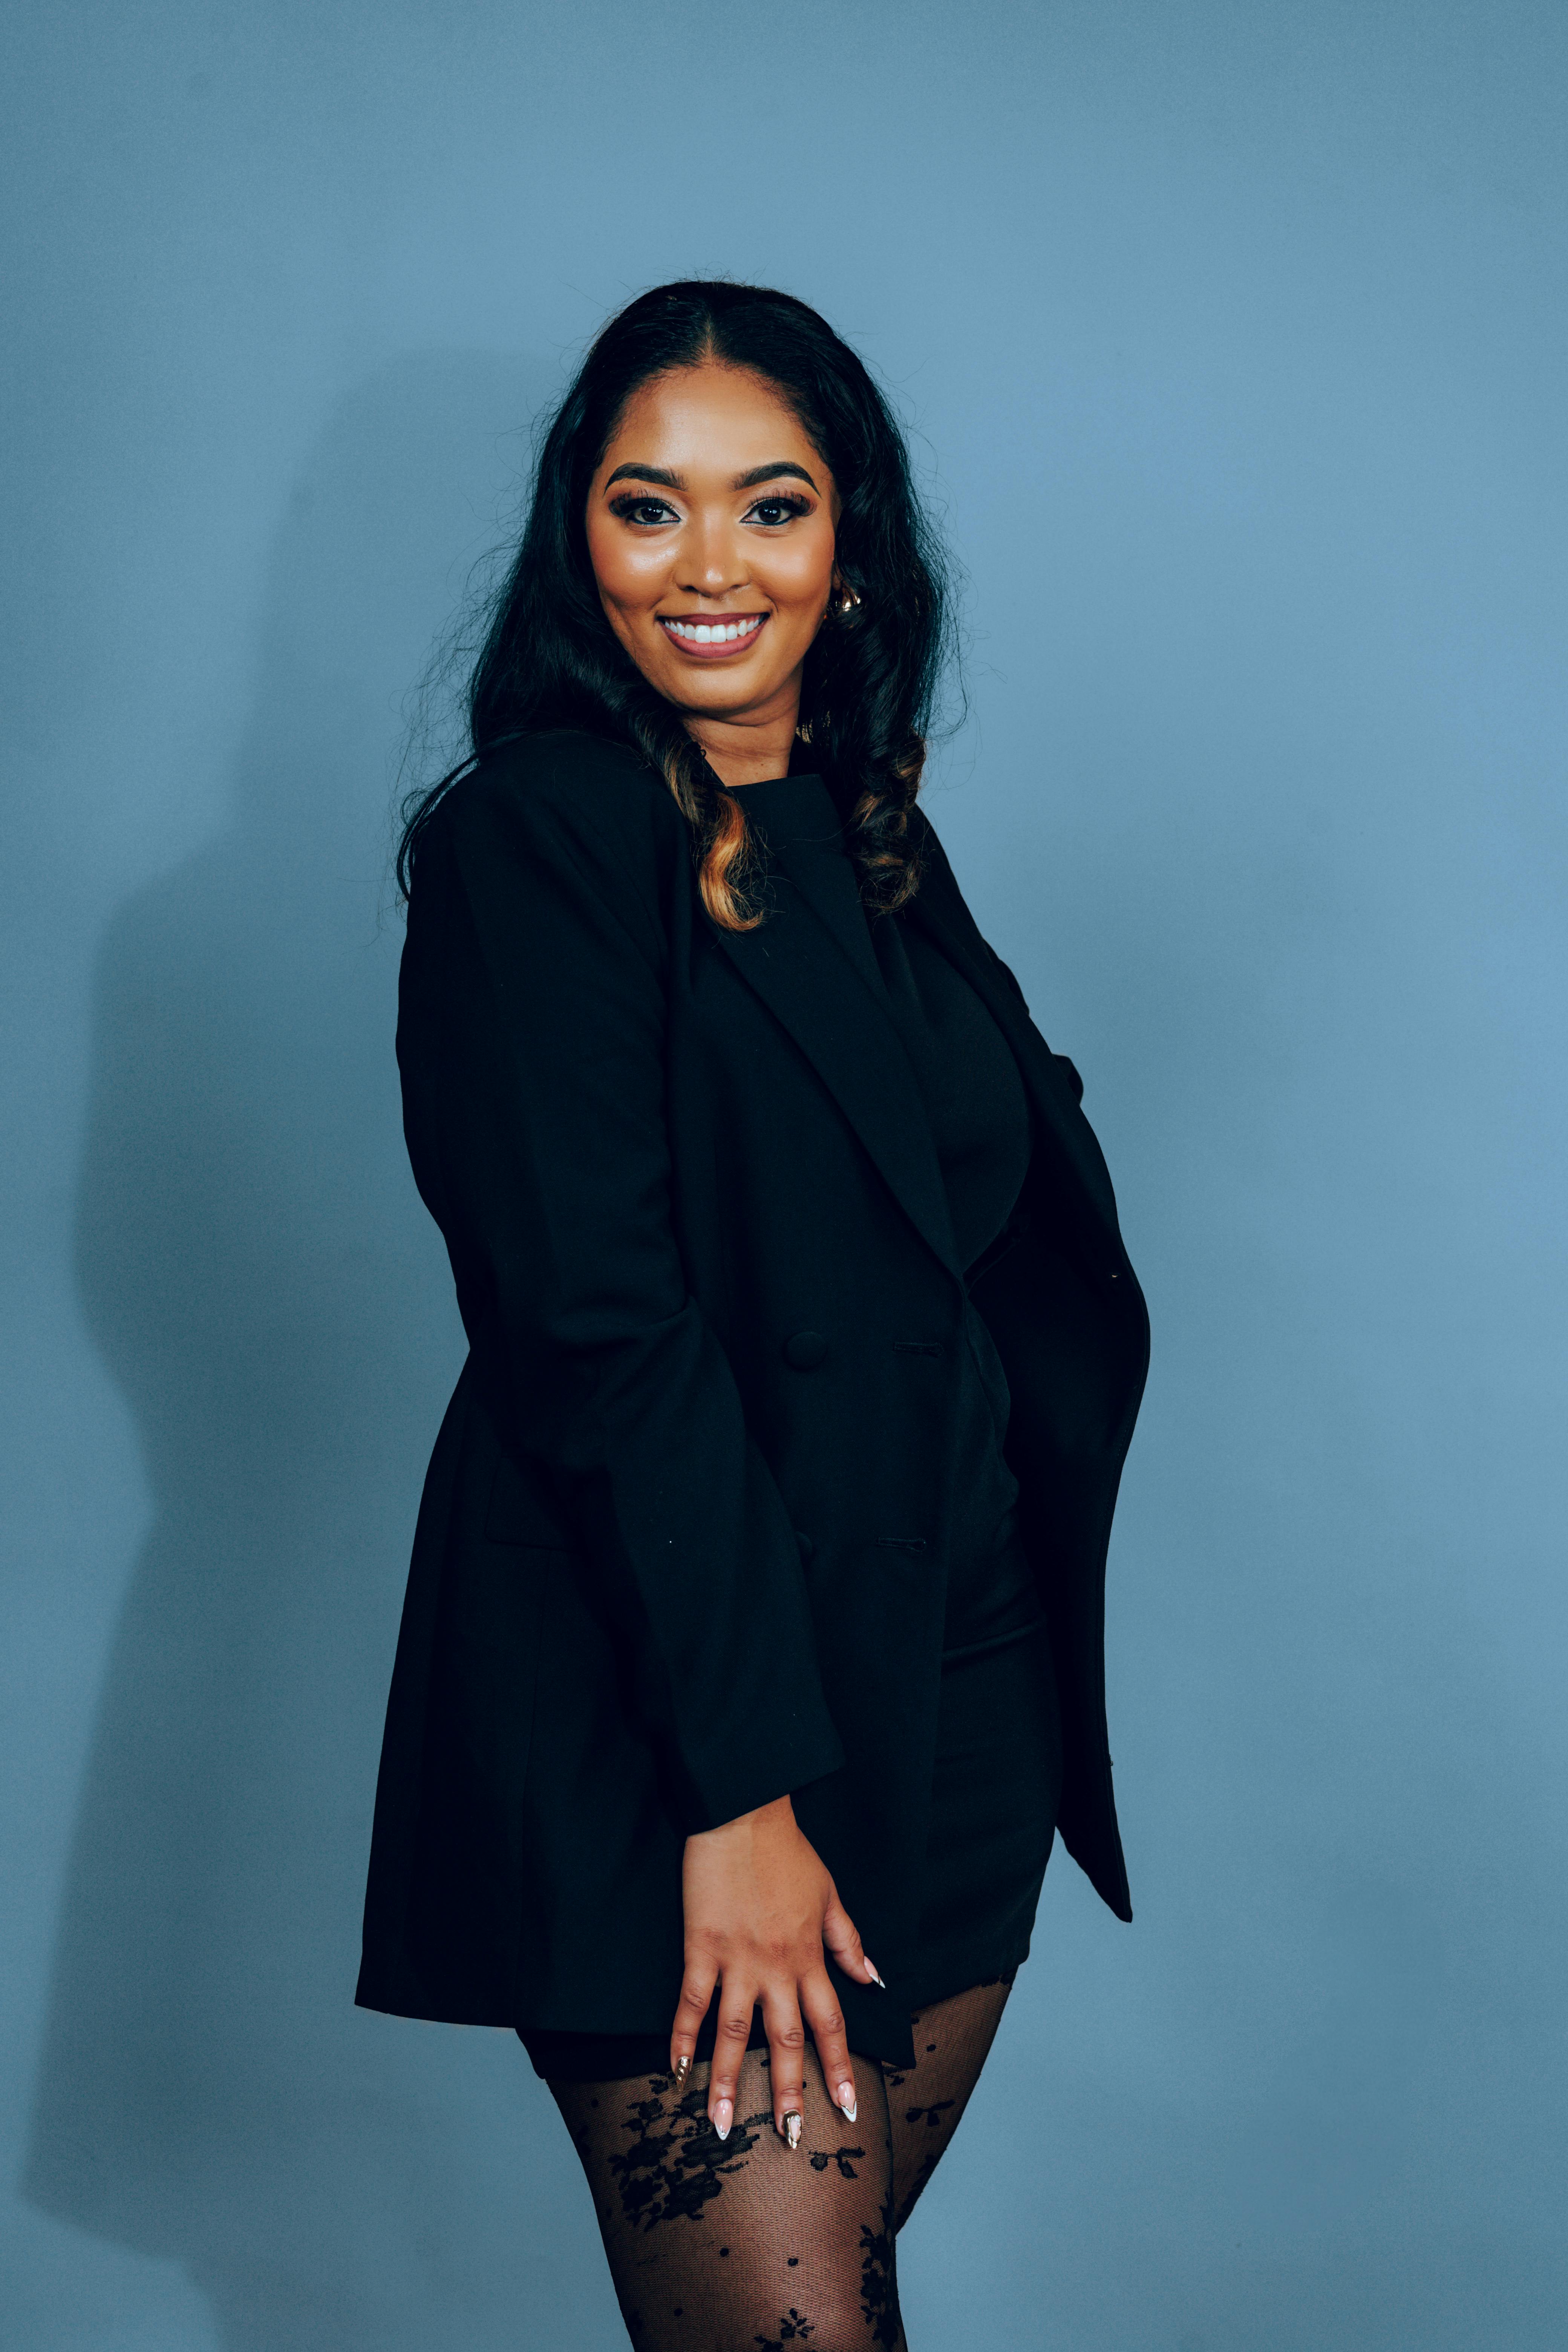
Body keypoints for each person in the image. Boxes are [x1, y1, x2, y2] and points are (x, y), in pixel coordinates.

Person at [358, 280, 1149, 2351]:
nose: (711, 566)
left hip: (956, 1697)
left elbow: (959, 1239)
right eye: (649, 508)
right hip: (684, 1724)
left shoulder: (877, 832)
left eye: (770, 506)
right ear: (578, 543)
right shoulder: (542, 840)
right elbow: (594, 1329)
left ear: (852, 547)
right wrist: (743, 1801)